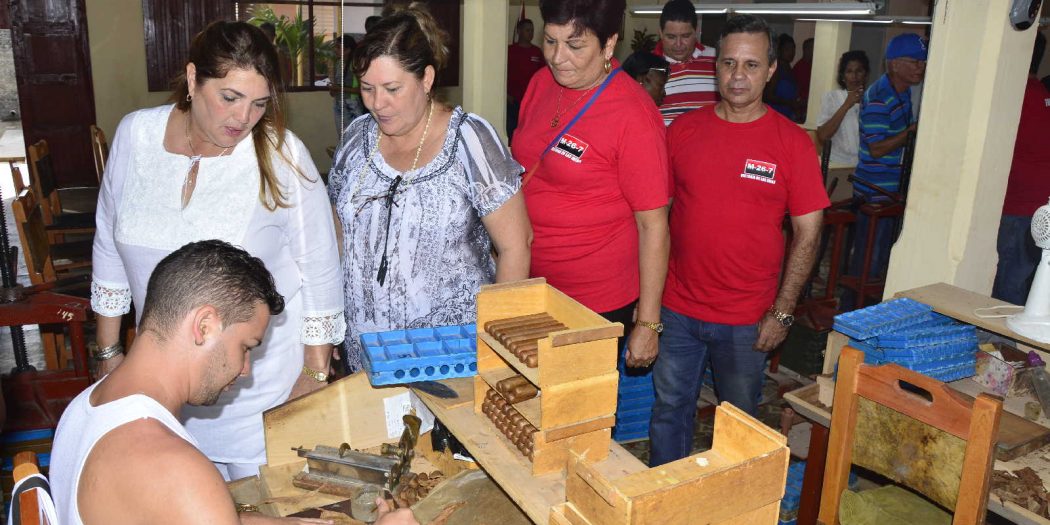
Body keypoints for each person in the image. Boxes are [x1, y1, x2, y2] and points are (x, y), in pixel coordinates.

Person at [90, 21, 344, 481]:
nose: (243, 117)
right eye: (229, 97)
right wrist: (108, 351)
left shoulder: (281, 153)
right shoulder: (135, 136)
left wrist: (315, 376)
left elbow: (322, 270)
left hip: (260, 392)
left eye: (259, 103)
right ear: (192, 80)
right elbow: (108, 245)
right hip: (165, 390)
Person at [52, 241, 416, 525]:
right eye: (246, 347)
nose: (245, 370)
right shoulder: (172, 466)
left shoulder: (88, 405)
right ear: (205, 325)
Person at [651, 14, 829, 466]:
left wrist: (783, 311)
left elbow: (809, 232)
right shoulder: (683, 132)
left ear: (771, 70)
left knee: (739, 423)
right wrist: (648, 302)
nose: (737, 76)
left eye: (751, 65)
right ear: (715, 67)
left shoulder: (792, 143)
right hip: (678, 309)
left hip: (748, 318)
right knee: (670, 411)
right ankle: (663, 499)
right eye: (729, 63)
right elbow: (656, 218)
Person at [329, 2, 532, 372]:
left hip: (451, 355)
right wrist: (328, 323)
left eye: (392, 88)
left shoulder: (469, 141)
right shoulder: (356, 139)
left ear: (426, 79)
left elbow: (516, 246)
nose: (377, 104)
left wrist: (498, 346)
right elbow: (338, 236)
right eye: (367, 88)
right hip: (365, 349)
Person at [511, 0, 670, 368]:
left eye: (575, 45)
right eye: (550, 41)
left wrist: (647, 323)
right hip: (528, 280)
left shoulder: (633, 114)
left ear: (609, 44)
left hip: (592, 299)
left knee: (573, 413)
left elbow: (654, 225)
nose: (557, 57)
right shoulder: (540, 83)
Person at [846, 32, 927, 292]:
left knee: (880, 260)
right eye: (914, 61)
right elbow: (877, 148)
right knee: (867, 263)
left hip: (890, 193)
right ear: (893, 64)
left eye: (922, 62)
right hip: (874, 195)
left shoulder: (902, 94)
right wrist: (910, 133)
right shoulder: (880, 96)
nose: (920, 67)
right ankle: (853, 314)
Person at [993, 31, 1050, 306]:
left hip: (1019, 207)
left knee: (1009, 284)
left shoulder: (1015, 96)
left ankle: (1001, 344)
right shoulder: (1043, 95)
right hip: (1039, 205)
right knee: (1024, 281)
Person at [653, 0, 718, 125]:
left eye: (685, 36)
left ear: (696, 31)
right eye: (671, 37)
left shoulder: (717, 59)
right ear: (660, 33)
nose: (678, 44)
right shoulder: (646, 68)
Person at [816, 50, 870, 166]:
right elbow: (822, 136)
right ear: (843, 77)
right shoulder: (832, 97)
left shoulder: (873, 101)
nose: (854, 76)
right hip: (836, 164)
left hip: (864, 166)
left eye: (859, 71)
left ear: (865, 74)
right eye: (849, 71)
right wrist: (846, 105)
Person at [507, 18, 545, 139]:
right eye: (527, 30)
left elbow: (543, 76)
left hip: (531, 100)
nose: (531, 33)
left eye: (532, 30)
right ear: (519, 31)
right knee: (512, 131)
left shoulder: (537, 52)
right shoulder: (510, 51)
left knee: (528, 131)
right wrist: (506, 95)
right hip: (513, 101)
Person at [331, 34, 366, 140]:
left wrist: (339, 89)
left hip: (351, 105)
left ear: (348, 50)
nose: (335, 50)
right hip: (338, 103)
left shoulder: (355, 64)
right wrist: (334, 90)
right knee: (343, 138)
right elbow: (338, 85)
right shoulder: (338, 63)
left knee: (354, 138)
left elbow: (361, 90)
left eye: (338, 47)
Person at [765, 34, 802, 122]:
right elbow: (768, 96)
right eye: (787, 49)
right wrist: (789, 102)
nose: (791, 52)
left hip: (787, 116)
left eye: (793, 49)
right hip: (775, 115)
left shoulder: (789, 69)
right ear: (779, 50)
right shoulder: (776, 69)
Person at [793, 37, 814, 115]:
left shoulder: (811, 66)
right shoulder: (800, 67)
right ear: (806, 49)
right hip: (800, 108)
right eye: (812, 47)